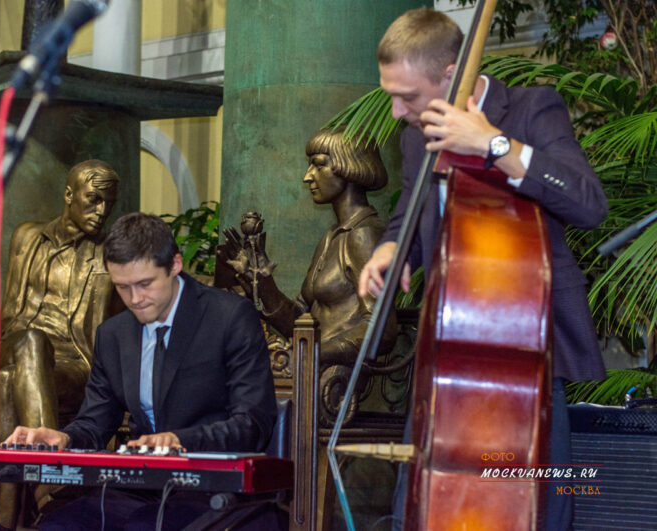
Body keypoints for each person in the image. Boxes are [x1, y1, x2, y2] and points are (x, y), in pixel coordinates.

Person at [356, 8, 608, 531]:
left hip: (527, 359)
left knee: (540, 509)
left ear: (452, 75)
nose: (398, 111)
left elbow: (588, 204)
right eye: (391, 96)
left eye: (408, 96)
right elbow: (411, 211)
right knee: (419, 506)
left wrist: (494, 145)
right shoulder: (416, 136)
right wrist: (392, 249)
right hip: (445, 359)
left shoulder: (532, 109)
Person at [4, 213, 279, 530]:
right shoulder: (113, 335)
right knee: (59, 526)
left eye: (145, 284)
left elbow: (253, 423)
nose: (135, 299)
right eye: (122, 287)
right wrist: (63, 437)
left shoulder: (229, 317)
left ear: (174, 265)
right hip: (140, 488)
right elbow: (95, 424)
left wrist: (178, 441)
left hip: (212, 488)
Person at [0, 159, 121, 527]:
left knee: (8, 382)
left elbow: (161, 278)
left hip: (74, 362)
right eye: (94, 199)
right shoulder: (26, 236)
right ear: (69, 195)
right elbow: (8, 309)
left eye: (109, 203)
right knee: (31, 342)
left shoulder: (111, 253)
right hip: (16, 341)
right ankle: (50, 478)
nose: (102, 211)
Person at [220, 128, 397, 368]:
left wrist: (314, 353)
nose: (307, 177)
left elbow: (381, 330)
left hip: (335, 380)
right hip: (310, 373)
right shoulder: (331, 237)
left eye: (319, 165)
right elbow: (300, 322)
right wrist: (262, 284)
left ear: (348, 166)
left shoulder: (363, 235)